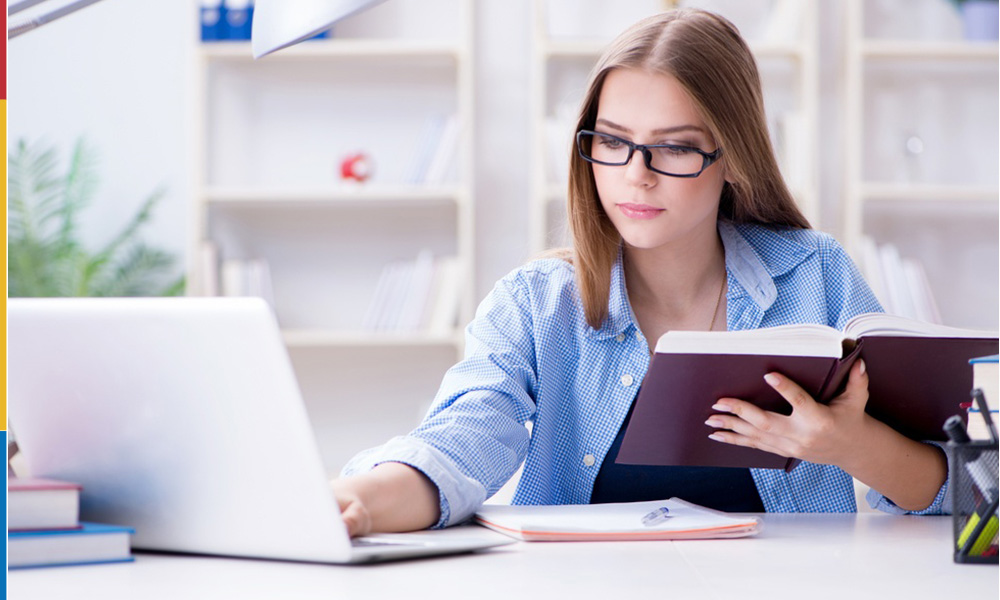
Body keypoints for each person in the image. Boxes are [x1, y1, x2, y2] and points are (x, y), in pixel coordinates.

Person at [331, 8, 949, 536]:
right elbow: (458, 442)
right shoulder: (536, 304)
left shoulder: (817, 277)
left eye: (675, 147)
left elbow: (963, 486)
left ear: (732, 158)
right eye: (612, 141)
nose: (636, 174)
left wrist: (849, 445)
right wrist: (355, 502)